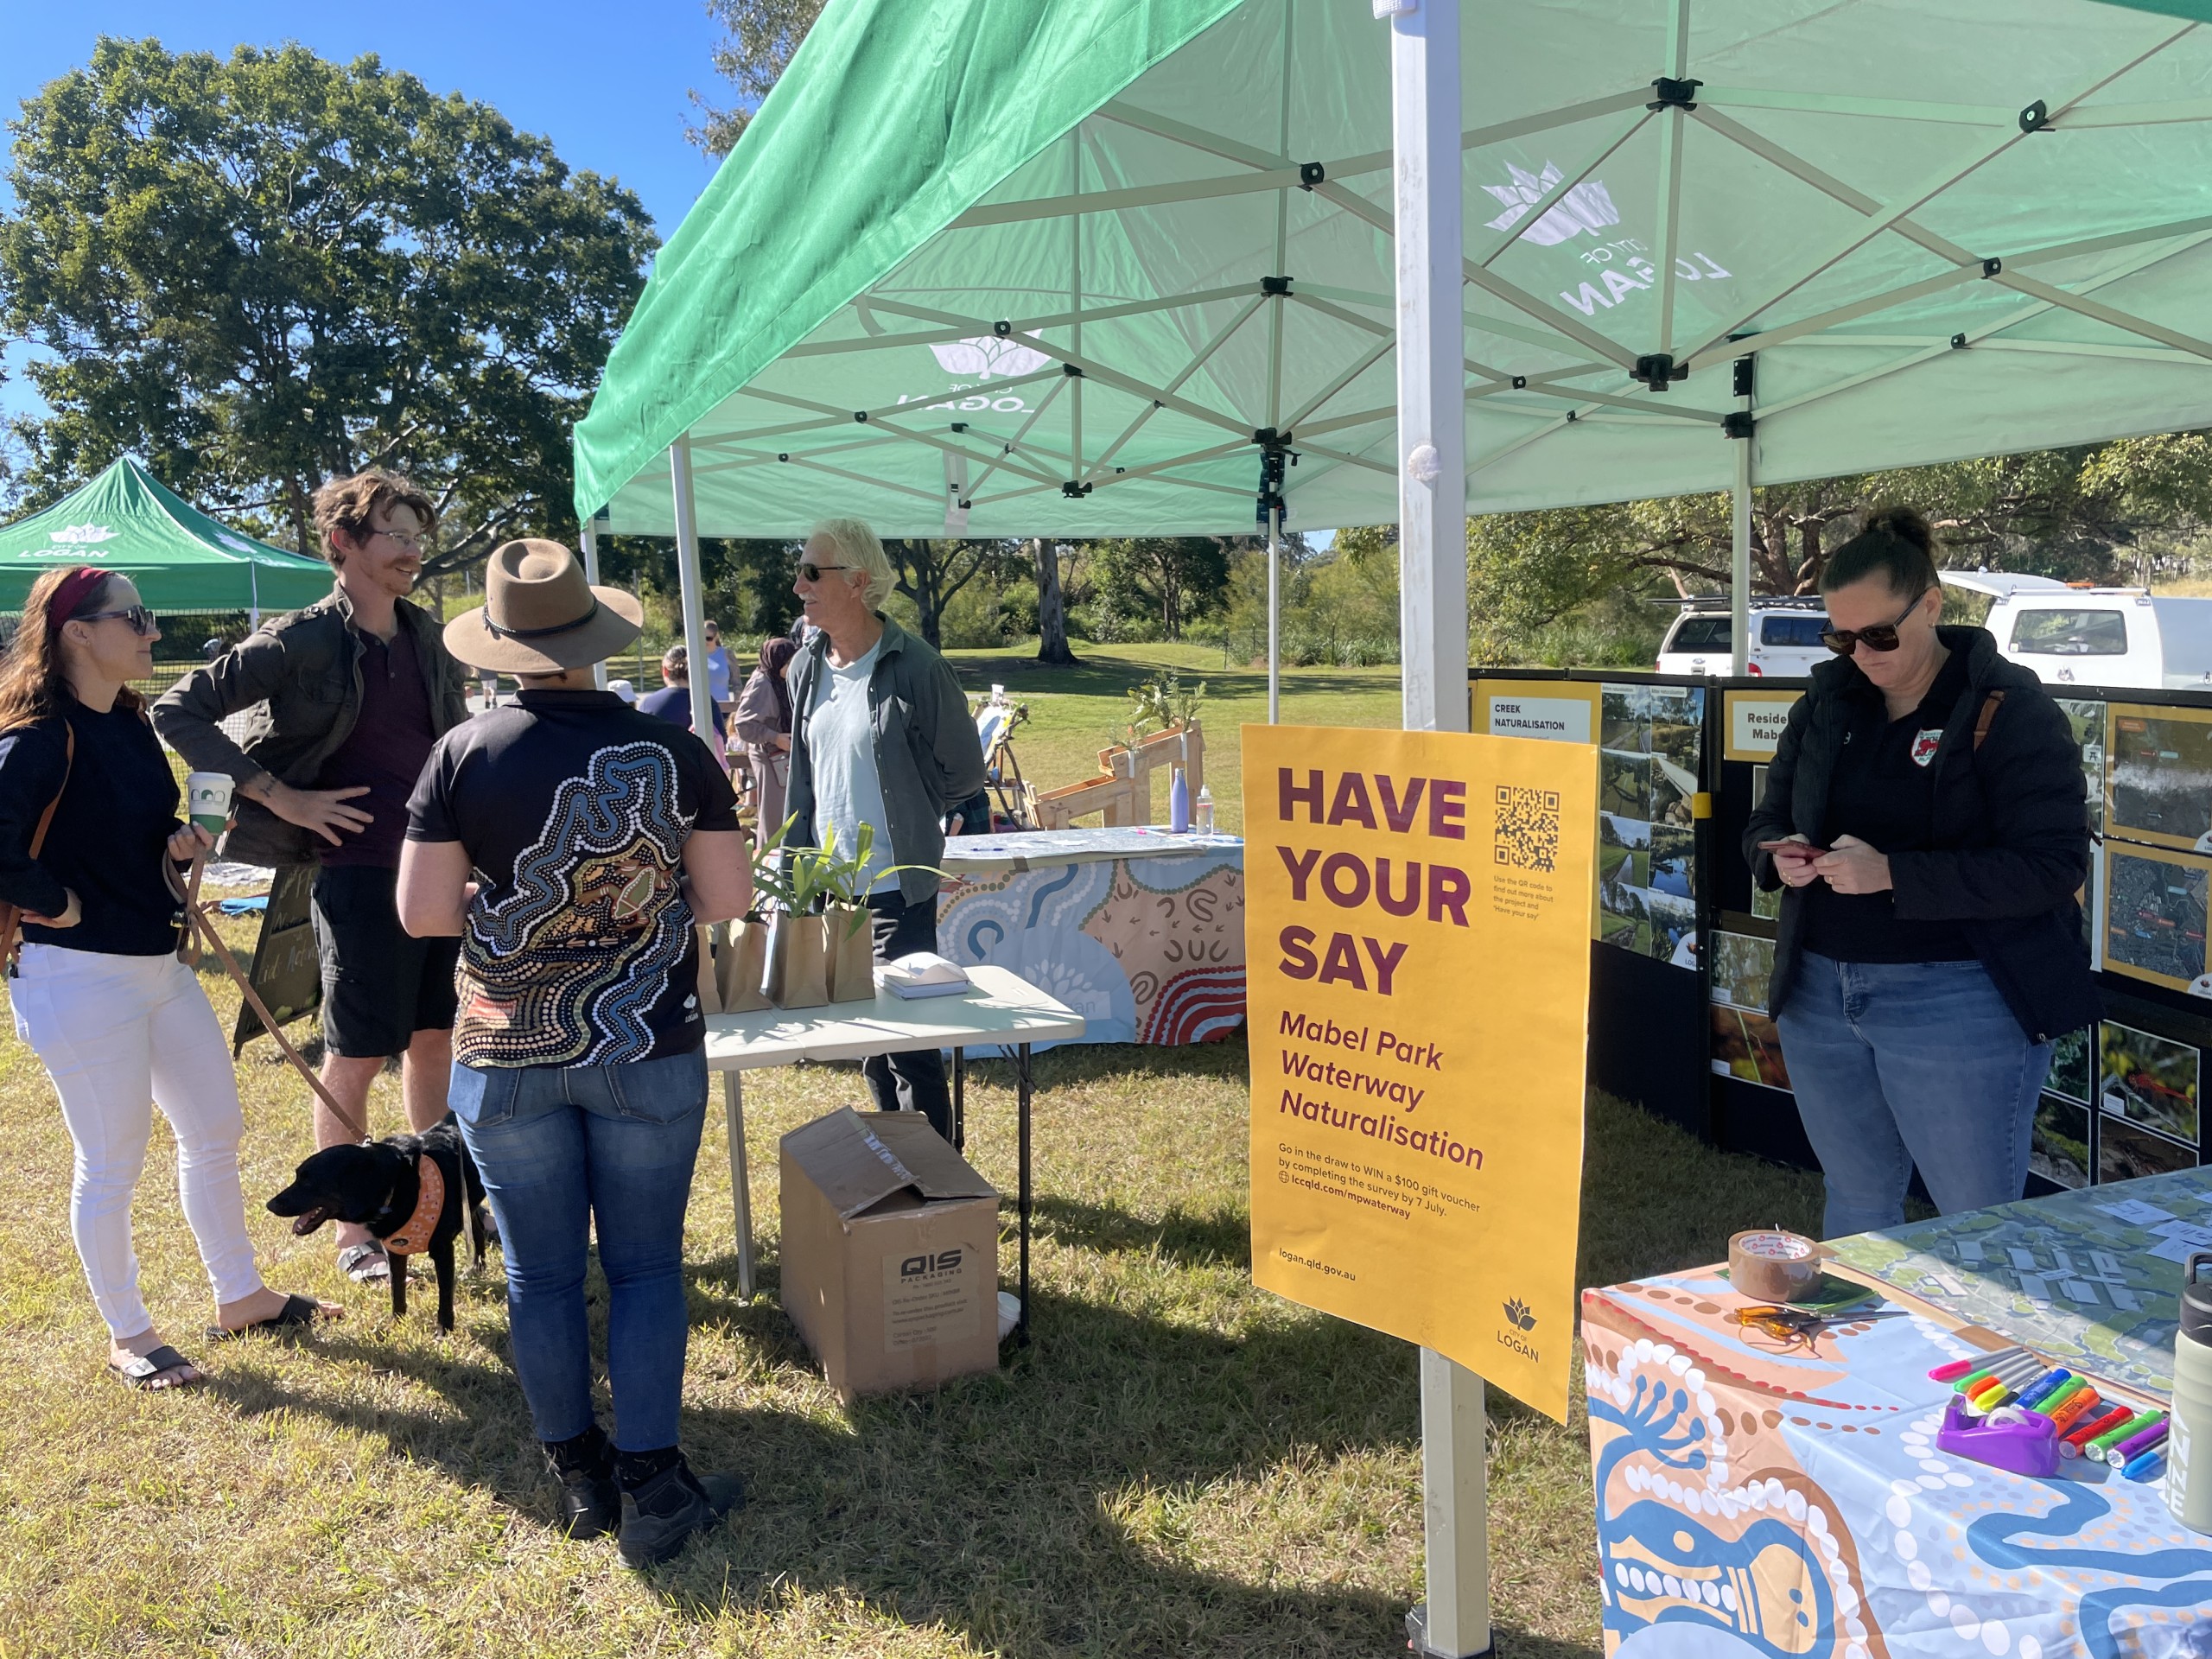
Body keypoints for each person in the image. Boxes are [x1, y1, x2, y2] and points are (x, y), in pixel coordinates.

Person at [397, 539, 753, 1566]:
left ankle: (580, 1479)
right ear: (596, 642)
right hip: (645, 1043)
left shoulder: (464, 750)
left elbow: (423, 912)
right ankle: (655, 1486)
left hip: (503, 1054)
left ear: (503, 648)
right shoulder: (679, 748)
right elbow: (727, 902)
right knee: (643, 1270)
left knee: (539, 1276)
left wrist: (496, 909)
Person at [1, 568, 339, 1392]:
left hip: (160, 963)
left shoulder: (127, 722)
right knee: (111, 1163)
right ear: (76, 631)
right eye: (137, 618)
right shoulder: (37, 735)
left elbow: (129, 834)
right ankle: (130, 1333)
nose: (153, 633)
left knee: (216, 1130)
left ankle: (241, 1294)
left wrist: (179, 847)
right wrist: (59, 906)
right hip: (77, 978)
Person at [155, 469, 474, 1286]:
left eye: (416, 536)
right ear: (342, 543)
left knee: (435, 1041)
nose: (412, 551)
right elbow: (177, 708)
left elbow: (456, 742)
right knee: (358, 1053)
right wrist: (279, 796)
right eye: (395, 534)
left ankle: (428, 1201)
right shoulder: (299, 640)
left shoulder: (432, 637)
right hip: (358, 874)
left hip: (439, 871)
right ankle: (351, 1231)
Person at [1745, 506, 2095, 1236]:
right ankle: (1871, 1350)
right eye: (1840, 637)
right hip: (1818, 991)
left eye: (1878, 634)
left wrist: (1894, 875)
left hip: (1960, 995)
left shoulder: (2011, 707)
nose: (1860, 654)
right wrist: (1782, 855)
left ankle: (1990, 1352)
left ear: (1931, 605)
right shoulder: (1826, 702)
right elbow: (1765, 821)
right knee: (1857, 1204)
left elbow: (2051, 866)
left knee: (1974, 1224)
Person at [785, 519, 987, 1139]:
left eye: (813, 573)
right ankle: (893, 1155)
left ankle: (939, 1169)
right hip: (831, 887)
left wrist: (919, 811)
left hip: (897, 885)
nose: (799, 586)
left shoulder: (918, 666)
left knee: (910, 1040)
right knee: (865, 1036)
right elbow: (807, 777)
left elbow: (965, 773)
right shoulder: (804, 667)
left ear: (858, 581)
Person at [732, 636, 797, 838]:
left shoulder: (779, 680)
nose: (792, 667)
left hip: (782, 756)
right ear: (776, 661)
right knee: (774, 817)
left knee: (788, 814)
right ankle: (770, 861)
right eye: (788, 663)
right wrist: (775, 737)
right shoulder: (763, 683)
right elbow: (742, 725)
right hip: (769, 757)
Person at [638, 645, 728, 745]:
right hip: (696, 759)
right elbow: (721, 740)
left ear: (665, 671)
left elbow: (639, 739)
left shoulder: (649, 703)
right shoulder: (707, 702)